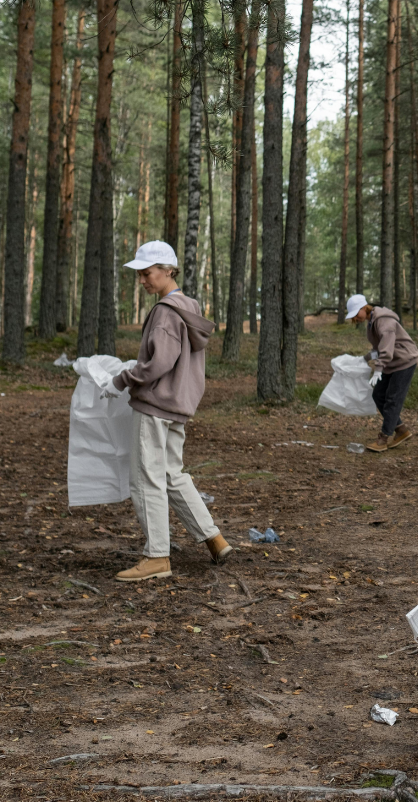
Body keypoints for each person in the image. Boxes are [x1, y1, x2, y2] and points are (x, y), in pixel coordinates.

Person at [101, 241, 230, 582]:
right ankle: (214, 538)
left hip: (156, 404)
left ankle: (157, 556)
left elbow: (159, 362)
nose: (142, 280)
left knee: (146, 479)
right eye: (140, 274)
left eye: (147, 273)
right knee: (172, 474)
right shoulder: (188, 308)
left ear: (167, 271)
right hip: (177, 406)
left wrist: (122, 379)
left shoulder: (164, 312)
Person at [345, 294, 418, 453]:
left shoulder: (383, 321)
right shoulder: (372, 322)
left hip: (404, 361)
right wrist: (364, 359)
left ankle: (383, 438)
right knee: (378, 394)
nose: (355, 319)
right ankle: (401, 430)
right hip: (391, 362)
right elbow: (378, 349)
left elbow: (386, 351)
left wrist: (378, 370)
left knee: (393, 399)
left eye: (356, 314)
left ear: (364, 308)